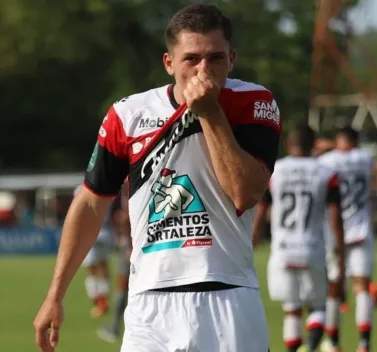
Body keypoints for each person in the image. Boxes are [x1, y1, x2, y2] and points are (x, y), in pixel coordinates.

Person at [33, 4, 281, 351]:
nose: (203, 70)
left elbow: (245, 192)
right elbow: (91, 202)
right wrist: (54, 295)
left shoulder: (253, 102)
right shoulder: (128, 115)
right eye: (191, 59)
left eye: (215, 58)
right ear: (169, 63)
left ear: (232, 59)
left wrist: (209, 111)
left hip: (228, 295)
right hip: (150, 303)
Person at [253, 124, 345, 352]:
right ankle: (312, 344)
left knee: (291, 308)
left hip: (282, 250)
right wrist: (340, 252)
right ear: (314, 145)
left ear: (287, 145)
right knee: (319, 307)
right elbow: (335, 217)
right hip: (312, 248)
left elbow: (260, 214)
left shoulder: (275, 171)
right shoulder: (326, 173)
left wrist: (250, 244)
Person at [318, 127, 377, 352]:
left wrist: (328, 146)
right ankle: (364, 342)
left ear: (338, 139)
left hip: (334, 232)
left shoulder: (327, 161)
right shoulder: (365, 158)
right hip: (361, 230)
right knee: (362, 286)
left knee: (334, 286)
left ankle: (333, 343)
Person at [97, 182, 132, 343]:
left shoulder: (129, 188)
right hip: (144, 244)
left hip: (131, 246)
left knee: (122, 286)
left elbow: (124, 218)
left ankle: (115, 327)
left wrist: (126, 243)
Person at [74, 185, 115, 318]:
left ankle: (99, 301)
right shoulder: (108, 186)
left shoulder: (80, 189)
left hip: (92, 233)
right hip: (105, 232)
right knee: (102, 265)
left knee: (91, 268)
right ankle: (102, 301)